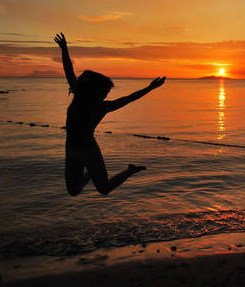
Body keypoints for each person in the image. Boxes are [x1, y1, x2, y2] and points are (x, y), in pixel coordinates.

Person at [54, 33, 166, 196]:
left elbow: (128, 99)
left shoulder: (102, 107)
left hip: (89, 150)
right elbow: (68, 70)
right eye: (103, 92)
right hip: (71, 149)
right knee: (74, 191)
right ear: (93, 90)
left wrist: (150, 88)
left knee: (104, 189)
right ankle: (93, 172)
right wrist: (64, 49)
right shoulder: (79, 95)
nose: (105, 95)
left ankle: (129, 171)